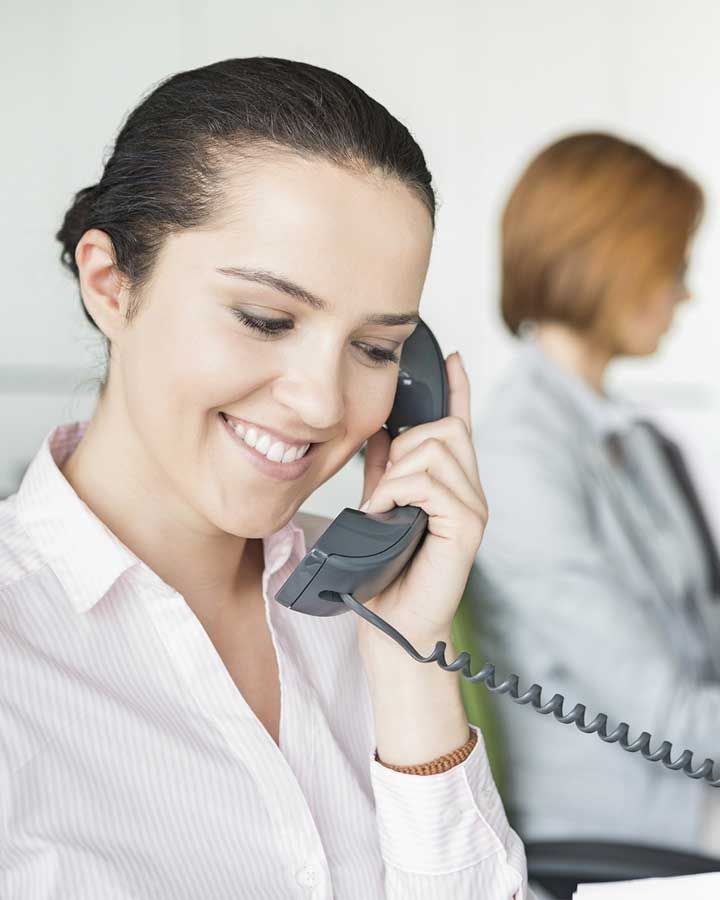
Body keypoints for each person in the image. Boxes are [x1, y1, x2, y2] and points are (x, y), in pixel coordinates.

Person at [0, 58, 529, 898]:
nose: (322, 403)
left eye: (377, 349)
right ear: (110, 286)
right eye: (265, 319)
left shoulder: (370, 609)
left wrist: (407, 662)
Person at [470, 131, 720, 853]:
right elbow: (663, 716)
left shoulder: (627, 438)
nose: (685, 290)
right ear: (611, 262)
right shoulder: (521, 451)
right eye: (672, 264)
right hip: (640, 826)